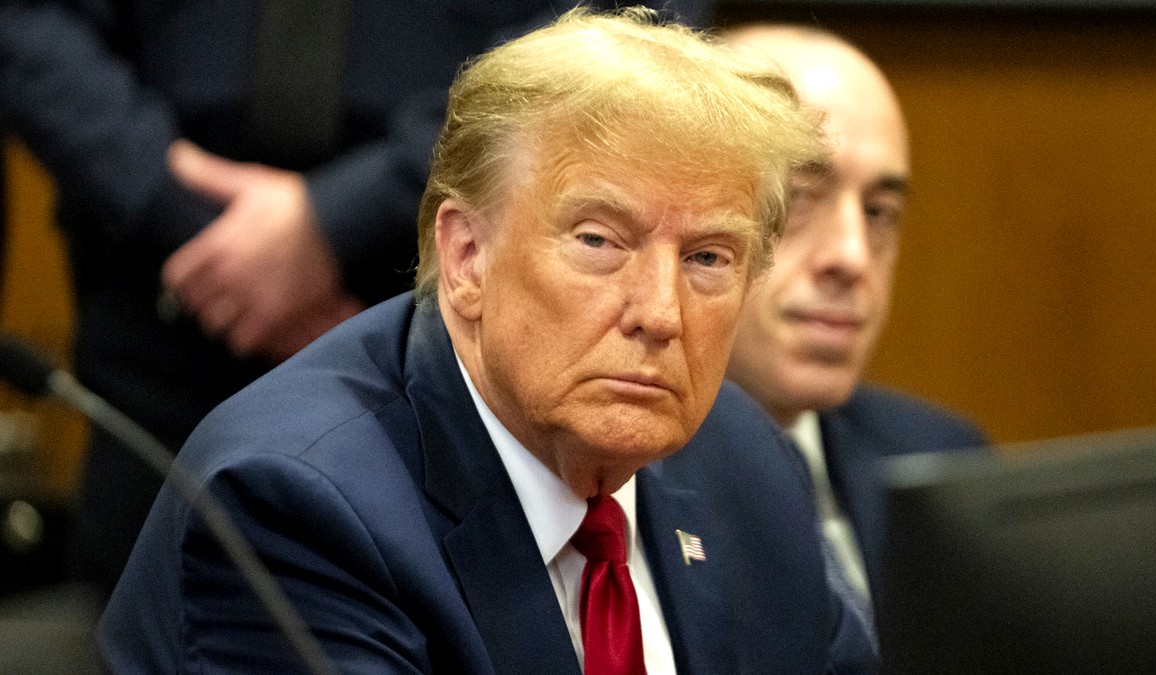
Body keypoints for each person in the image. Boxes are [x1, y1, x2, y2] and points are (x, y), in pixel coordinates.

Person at [98, 8, 877, 673]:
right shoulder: (295, 508)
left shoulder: (747, 465)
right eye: (600, 241)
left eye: (709, 258)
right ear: (467, 256)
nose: (661, 313)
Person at [0, 0, 708, 598]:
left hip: (462, 310)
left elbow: (631, 24)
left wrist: (346, 216)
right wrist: (173, 206)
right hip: (163, 311)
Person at [721, 24, 988, 607]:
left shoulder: (942, 467)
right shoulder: (615, 494)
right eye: (795, 198)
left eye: (879, 211)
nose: (851, 256)